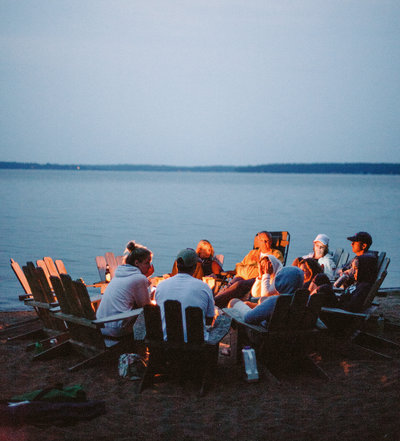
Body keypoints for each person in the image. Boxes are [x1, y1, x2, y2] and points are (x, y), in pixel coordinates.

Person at [155, 248, 215, 342]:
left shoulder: (161, 286)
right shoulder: (204, 287)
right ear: (195, 267)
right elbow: (210, 317)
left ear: (177, 266)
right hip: (196, 343)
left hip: (166, 342)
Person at [96, 241, 153, 337]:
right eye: (147, 263)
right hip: (116, 329)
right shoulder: (139, 279)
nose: (150, 266)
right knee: (151, 316)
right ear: (136, 263)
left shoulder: (119, 274)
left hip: (102, 325)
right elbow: (146, 307)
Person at [228, 267, 304, 327]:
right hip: (291, 336)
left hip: (262, 336)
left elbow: (248, 318)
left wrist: (238, 305)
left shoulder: (275, 301)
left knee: (234, 301)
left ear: (280, 282)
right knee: (262, 300)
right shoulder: (306, 300)